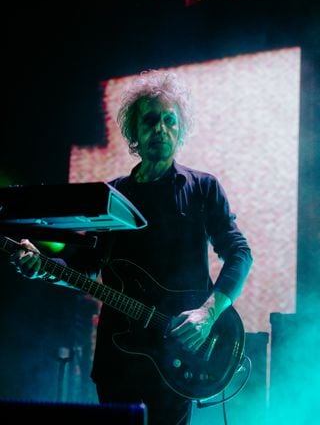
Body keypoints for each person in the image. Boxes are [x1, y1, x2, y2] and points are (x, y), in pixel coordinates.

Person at [12, 69, 253, 425]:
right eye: (150, 120)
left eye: (170, 120)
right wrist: (44, 266)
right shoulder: (113, 197)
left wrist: (209, 312)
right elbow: (86, 266)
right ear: (134, 132)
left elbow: (239, 253)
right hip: (118, 358)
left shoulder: (203, 188)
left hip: (178, 357)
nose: (160, 129)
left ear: (180, 130)